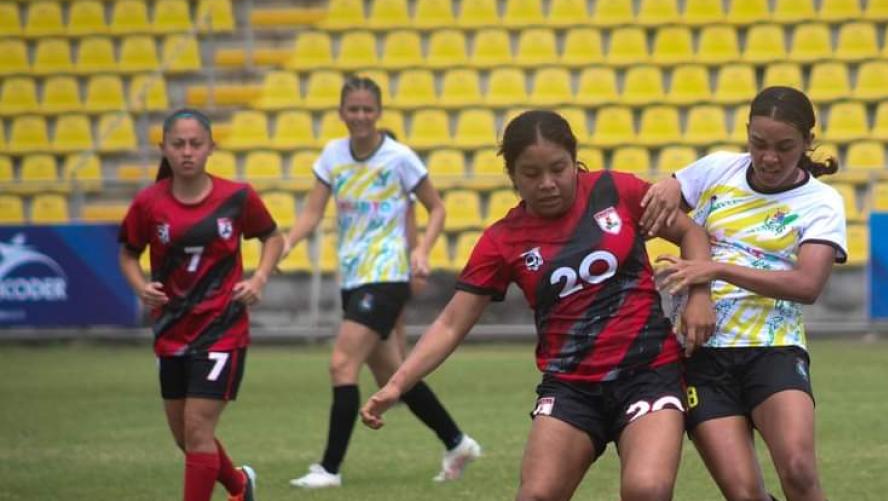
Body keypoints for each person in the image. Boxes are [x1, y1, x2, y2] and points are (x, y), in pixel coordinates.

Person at [360, 110, 718, 501]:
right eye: (531, 174)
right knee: (536, 496)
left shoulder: (616, 192)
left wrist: (699, 294)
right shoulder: (503, 240)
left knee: (646, 490)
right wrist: (396, 385)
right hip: (571, 387)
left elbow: (690, 231)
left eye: (557, 168)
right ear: (512, 175)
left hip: (649, 372)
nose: (547, 183)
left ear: (574, 158)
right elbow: (450, 323)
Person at [640, 86, 848, 501]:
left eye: (785, 147)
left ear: (808, 142)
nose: (769, 157)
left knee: (799, 469)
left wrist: (715, 268)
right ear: (747, 134)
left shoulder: (822, 202)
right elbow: (660, 208)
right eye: (759, 144)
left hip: (772, 348)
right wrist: (666, 184)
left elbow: (808, 285)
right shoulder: (717, 169)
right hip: (701, 354)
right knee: (744, 494)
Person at [283, 76, 478, 488]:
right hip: (353, 276)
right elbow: (312, 214)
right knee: (394, 375)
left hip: (387, 274)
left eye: (367, 109)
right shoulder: (332, 156)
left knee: (341, 363)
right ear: (341, 112)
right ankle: (457, 442)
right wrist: (284, 244)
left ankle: (328, 469)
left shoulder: (399, 157)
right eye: (352, 109)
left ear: (378, 113)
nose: (359, 116)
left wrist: (421, 252)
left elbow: (436, 208)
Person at [117, 108, 285, 501]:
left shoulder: (237, 197)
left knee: (197, 432)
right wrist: (141, 286)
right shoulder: (148, 203)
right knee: (185, 436)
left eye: (196, 144)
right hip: (172, 330)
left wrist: (258, 278)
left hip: (222, 329)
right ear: (163, 148)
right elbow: (128, 253)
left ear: (211, 147)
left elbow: (273, 238)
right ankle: (241, 486)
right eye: (178, 144)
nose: (187, 152)